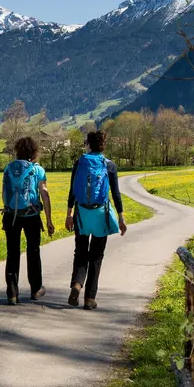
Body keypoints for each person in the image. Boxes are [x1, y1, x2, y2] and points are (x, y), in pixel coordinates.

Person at [65, 130, 127, 310]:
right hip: (101, 214)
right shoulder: (109, 165)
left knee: (81, 252)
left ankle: (76, 284)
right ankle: (89, 298)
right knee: (97, 255)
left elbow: (72, 191)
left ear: (88, 144)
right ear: (103, 145)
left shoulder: (79, 162)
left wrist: (69, 214)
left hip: (82, 214)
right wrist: (121, 218)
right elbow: (115, 194)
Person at [2, 136, 55, 305]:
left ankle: (12, 291)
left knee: (12, 252)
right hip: (31, 215)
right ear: (34, 151)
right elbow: (44, 194)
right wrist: (48, 219)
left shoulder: (8, 168)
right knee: (33, 251)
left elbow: (4, 192)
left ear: (18, 150)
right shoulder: (37, 170)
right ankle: (36, 289)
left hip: (11, 215)